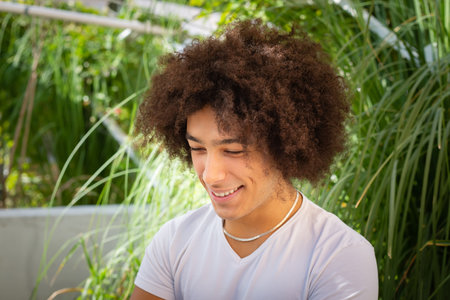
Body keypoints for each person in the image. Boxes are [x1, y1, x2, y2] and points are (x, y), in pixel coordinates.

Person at [131, 19, 378, 299]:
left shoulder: (338, 256)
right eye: (197, 149)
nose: (210, 175)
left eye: (233, 151)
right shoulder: (174, 242)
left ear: (285, 145)